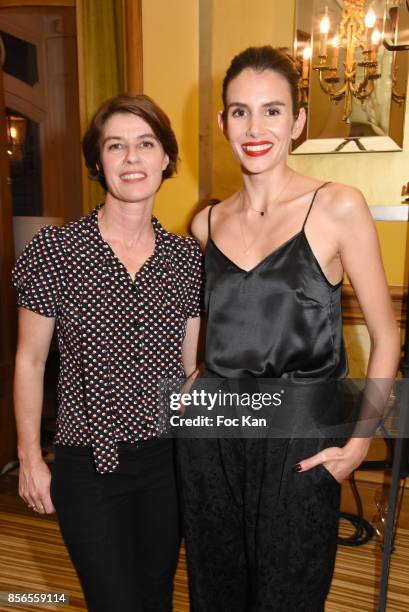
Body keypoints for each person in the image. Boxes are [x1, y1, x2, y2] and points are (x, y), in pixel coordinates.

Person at [177, 46, 400, 611]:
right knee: (216, 586)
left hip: (298, 436)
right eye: (240, 111)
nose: (255, 128)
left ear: (298, 121)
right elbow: (207, 325)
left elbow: (387, 333)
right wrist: (192, 382)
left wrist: (358, 440)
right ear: (222, 121)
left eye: (272, 111)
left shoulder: (338, 206)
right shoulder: (205, 222)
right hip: (213, 435)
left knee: (289, 593)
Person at [12, 93, 203, 612]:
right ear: (99, 162)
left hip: (167, 463)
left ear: (166, 157)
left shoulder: (187, 260)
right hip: (87, 464)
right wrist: (31, 459)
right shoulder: (56, 251)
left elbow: (191, 371)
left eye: (146, 144)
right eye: (116, 146)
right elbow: (29, 362)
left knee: (156, 597)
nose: (132, 158)